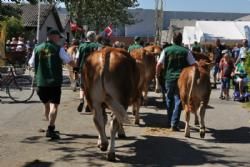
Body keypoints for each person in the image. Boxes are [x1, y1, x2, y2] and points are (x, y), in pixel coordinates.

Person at [28, 29, 75, 140]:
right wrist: (77, 67)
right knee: (54, 106)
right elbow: (69, 61)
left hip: (41, 82)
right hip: (54, 82)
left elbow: (31, 64)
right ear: (53, 36)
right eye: (59, 37)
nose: (59, 39)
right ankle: (51, 128)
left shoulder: (37, 48)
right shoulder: (59, 49)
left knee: (46, 105)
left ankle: (49, 126)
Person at [156, 32, 196, 131]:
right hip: (182, 80)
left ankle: (169, 121)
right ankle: (174, 123)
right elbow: (194, 65)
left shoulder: (166, 50)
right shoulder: (186, 51)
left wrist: (157, 75)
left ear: (172, 40)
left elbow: (158, 65)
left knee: (169, 99)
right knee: (179, 100)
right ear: (181, 40)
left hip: (168, 78)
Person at [76, 31, 98, 113]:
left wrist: (77, 68)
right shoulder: (97, 46)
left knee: (82, 87)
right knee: (91, 88)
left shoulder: (81, 46)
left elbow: (77, 58)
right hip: (94, 69)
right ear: (93, 37)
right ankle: (89, 104)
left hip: (83, 69)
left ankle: (81, 100)